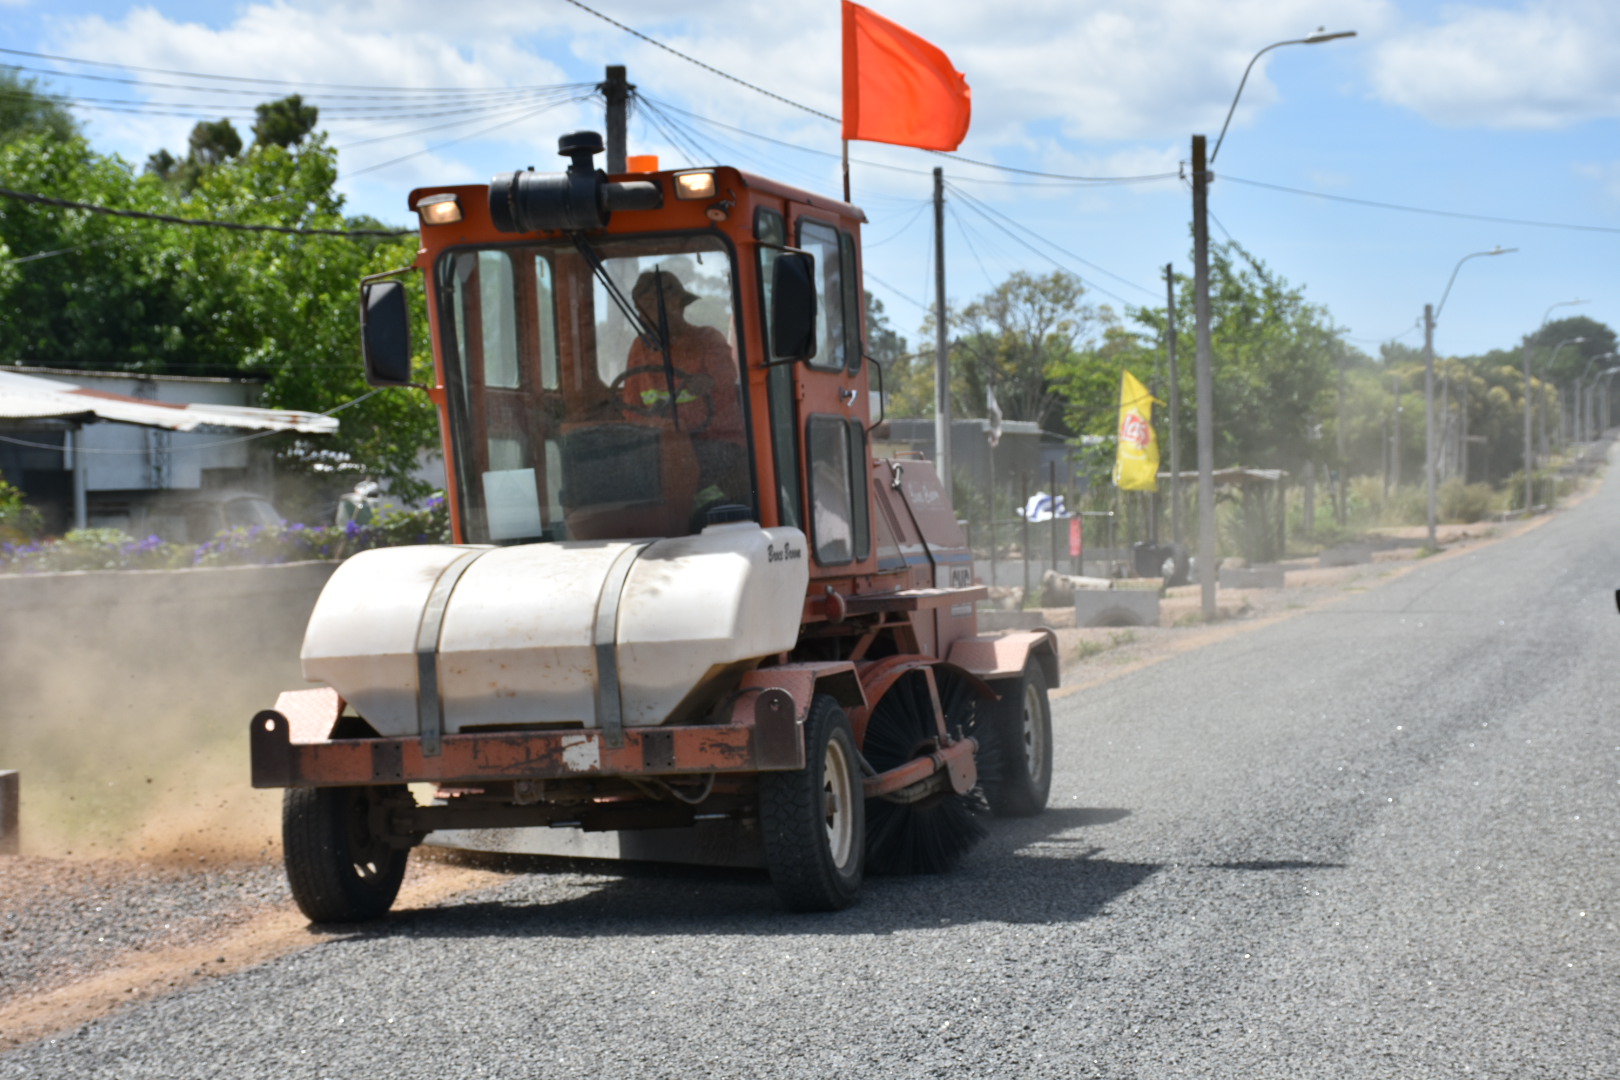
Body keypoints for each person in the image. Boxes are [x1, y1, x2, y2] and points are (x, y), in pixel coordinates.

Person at [619, 268, 748, 510]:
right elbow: (631, 409)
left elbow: (722, 378)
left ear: (678, 305)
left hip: (714, 441)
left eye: (654, 308)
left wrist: (706, 382)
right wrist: (649, 424)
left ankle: (701, 513)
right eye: (641, 309)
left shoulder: (707, 340)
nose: (645, 317)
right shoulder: (640, 348)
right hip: (662, 444)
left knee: (674, 468)